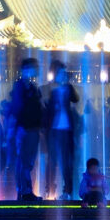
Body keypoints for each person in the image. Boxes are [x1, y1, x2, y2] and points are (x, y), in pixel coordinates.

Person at [4, 62, 45, 200]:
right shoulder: (20, 86)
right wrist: (12, 130)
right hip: (23, 129)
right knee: (24, 161)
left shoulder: (33, 88)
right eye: (31, 68)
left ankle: (25, 191)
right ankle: (24, 191)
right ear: (25, 70)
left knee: (29, 162)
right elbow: (16, 108)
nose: (34, 70)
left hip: (33, 129)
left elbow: (38, 108)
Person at [45, 66, 82, 200]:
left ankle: (67, 190)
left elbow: (76, 99)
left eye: (64, 74)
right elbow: (48, 111)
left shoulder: (68, 89)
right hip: (54, 131)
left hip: (67, 130)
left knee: (66, 162)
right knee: (52, 161)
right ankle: (49, 189)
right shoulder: (53, 92)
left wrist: (69, 86)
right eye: (60, 74)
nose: (63, 76)